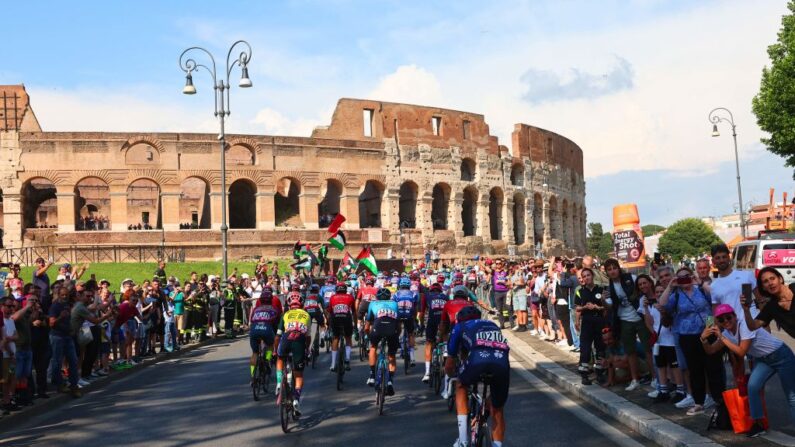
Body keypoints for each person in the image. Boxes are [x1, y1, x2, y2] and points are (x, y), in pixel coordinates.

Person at [702, 304, 795, 438]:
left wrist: (721, 337)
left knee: (792, 396)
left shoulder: (744, 325)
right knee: (752, 387)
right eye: (721, 320)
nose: (726, 321)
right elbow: (711, 350)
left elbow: (742, 351)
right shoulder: (727, 333)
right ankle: (758, 424)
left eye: (728, 317)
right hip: (764, 360)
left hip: (781, 355)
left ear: (734, 316)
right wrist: (703, 339)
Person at [659, 267, 724, 416]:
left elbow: (714, 298)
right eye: (680, 277)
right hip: (687, 335)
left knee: (713, 367)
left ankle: (719, 401)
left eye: (686, 276)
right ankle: (699, 402)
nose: (684, 279)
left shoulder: (700, 289)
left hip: (708, 331)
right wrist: (671, 285)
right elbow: (663, 304)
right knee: (695, 370)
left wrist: (699, 282)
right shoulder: (676, 294)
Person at [446, 305, 509, 447]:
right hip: (501, 362)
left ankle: (463, 440)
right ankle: (497, 445)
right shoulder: (492, 324)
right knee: (497, 407)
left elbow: (450, 363)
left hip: (478, 360)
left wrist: (452, 376)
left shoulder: (459, 326)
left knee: (461, 386)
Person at [604, 258, 647, 391]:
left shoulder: (631, 278)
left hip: (639, 316)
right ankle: (635, 380)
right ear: (606, 272)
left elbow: (643, 289)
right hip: (624, 319)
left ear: (619, 268)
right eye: (609, 269)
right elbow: (610, 306)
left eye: (614, 268)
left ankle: (655, 377)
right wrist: (603, 301)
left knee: (648, 348)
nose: (612, 271)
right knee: (630, 351)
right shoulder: (609, 286)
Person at [274, 292, 311, 416]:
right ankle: (296, 399)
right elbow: (308, 337)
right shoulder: (306, 314)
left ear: (289, 304)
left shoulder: (286, 314)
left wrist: (275, 350)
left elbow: (278, 335)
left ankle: (279, 383)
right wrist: (307, 349)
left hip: (286, 337)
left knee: (280, 358)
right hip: (299, 339)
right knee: (299, 375)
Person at [574, 268, 607, 385]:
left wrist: (597, 307)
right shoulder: (580, 291)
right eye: (584, 276)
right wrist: (585, 308)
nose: (586, 278)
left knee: (600, 347)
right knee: (585, 348)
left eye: (588, 275)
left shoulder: (601, 289)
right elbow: (577, 308)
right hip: (587, 321)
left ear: (592, 276)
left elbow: (607, 306)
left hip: (599, 320)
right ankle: (584, 374)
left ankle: (600, 372)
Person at [365, 287, 400, 396]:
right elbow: (398, 325)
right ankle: (389, 381)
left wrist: (368, 336)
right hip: (391, 329)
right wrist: (396, 336)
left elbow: (367, 324)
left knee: (373, 347)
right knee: (391, 355)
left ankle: (371, 375)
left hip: (378, 327)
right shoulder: (395, 304)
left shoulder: (373, 303)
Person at [744, 266, 794, 338]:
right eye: (765, 281)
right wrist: (746, 310)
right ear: (763, 287)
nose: (770, 283)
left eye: (772, 278)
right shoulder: (771, 307)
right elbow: (753, 326)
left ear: (780, 279)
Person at [709, 243, 757, 318]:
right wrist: (710, 327)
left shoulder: (747, 275)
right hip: (730, 327)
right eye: (718, 258)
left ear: (729, 258)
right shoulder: (713, 286)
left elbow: (761, 300)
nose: (721, 260)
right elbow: (715, 313)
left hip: (752, 326)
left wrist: (766, 325)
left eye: (724, 257)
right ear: (713, 261)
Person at [420, 282, 448, 383]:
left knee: (428, 344)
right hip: (443, 321)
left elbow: (422, 312)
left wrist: (421, 324)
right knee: (445, 334)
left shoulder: (427, 296)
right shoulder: (445, 296)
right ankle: (445, 350)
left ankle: (427, 373)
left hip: (432, 320)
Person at [248, 294, 279, 383]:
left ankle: (252, 375)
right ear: (270, 301)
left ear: (260, 301)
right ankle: (268, 360)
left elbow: (252, 320)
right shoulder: (273, 309)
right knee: (270, 345)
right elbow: (276, 323)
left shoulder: (256, 309)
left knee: (255, 353)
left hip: (254, 329)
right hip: (266, 328)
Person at [327, 282, 355, 372]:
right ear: (345, 289)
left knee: (335, 338)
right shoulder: (350, 297)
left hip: (335, 318)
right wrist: (355, 322)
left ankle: (333, 364)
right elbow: (354, 312)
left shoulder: (332, 297)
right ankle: (347, 359)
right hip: (346, 319)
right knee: (348, 337)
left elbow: (330, 312)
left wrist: (328, 323)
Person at [393, 277, 418, 367]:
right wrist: (415, 318)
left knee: (397, 331)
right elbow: (415, 308)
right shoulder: (414, 294)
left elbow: (393, 306)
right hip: (409, 315)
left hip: (398, 315)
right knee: (411, 334)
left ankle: (399, 344)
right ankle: (412, 357)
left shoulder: (396, 294)